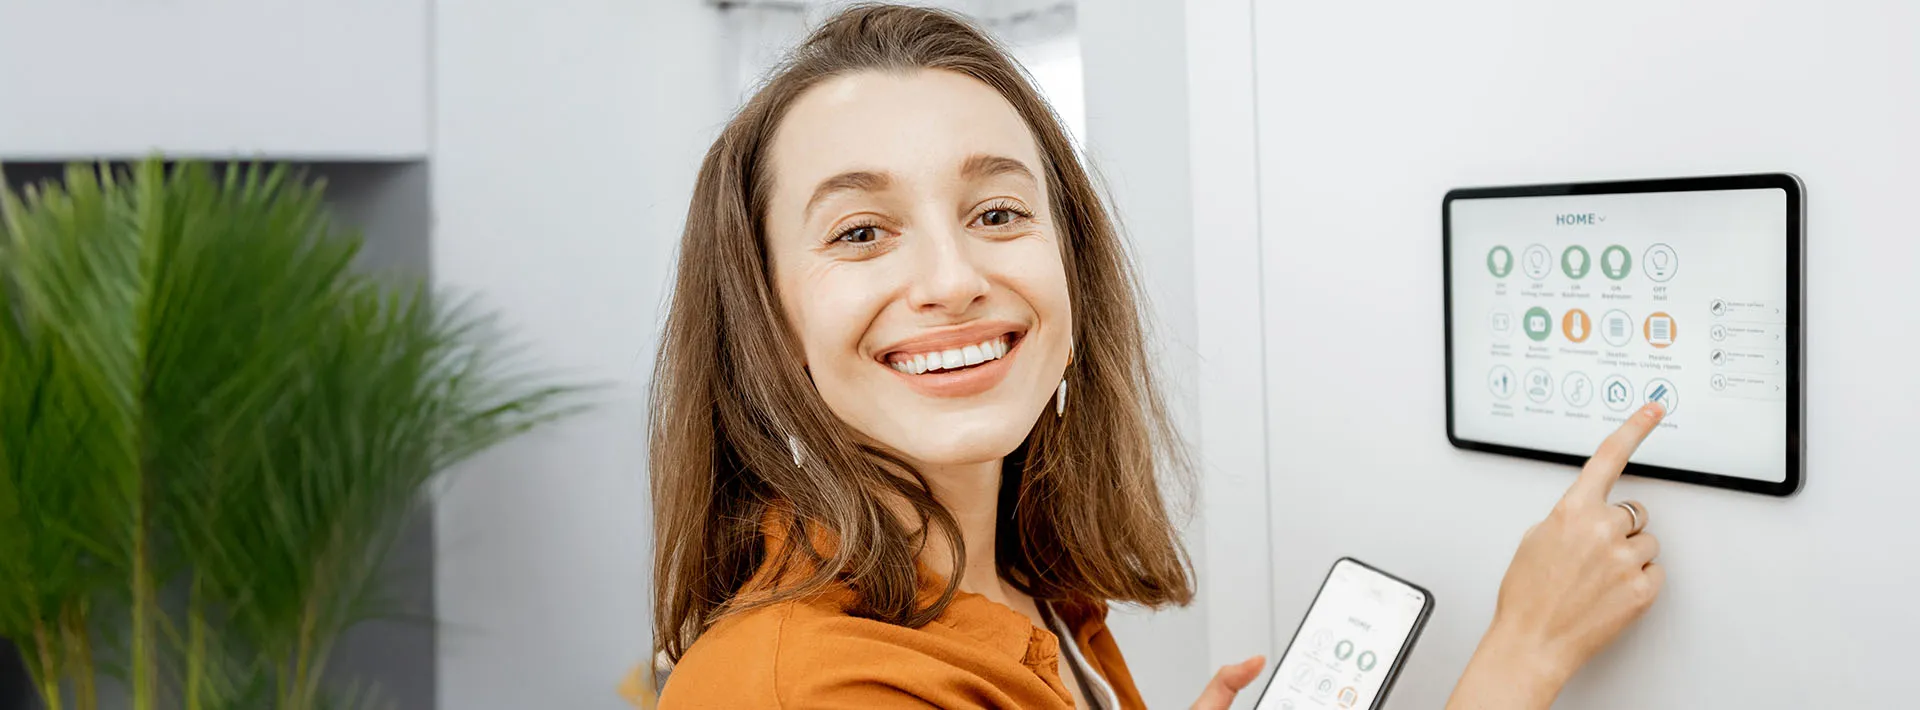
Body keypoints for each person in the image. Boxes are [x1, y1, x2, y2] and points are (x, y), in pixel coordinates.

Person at [626, 5, 1665, 709]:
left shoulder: (1022, 584)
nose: (950, 278)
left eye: (997, 211)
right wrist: (1524, 652)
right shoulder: (812, 687)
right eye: (860, 231)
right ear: (762, 309)